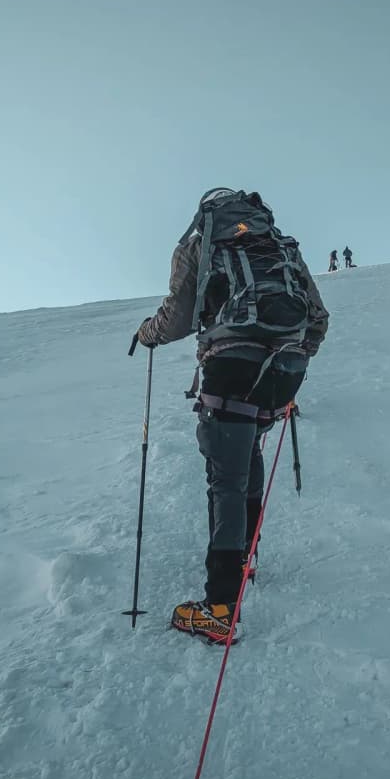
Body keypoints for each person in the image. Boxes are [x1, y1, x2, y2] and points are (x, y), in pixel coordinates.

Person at [136, 188, 329, 643]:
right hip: (283, 369)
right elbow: (317, 317)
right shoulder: (280, 247)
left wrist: (147, 334)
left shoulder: (199, 245)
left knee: (226, 478)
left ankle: (220, 606)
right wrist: (294, 357)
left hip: (230, 366)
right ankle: (245, 560)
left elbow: (179, 318)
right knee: (250, 456)